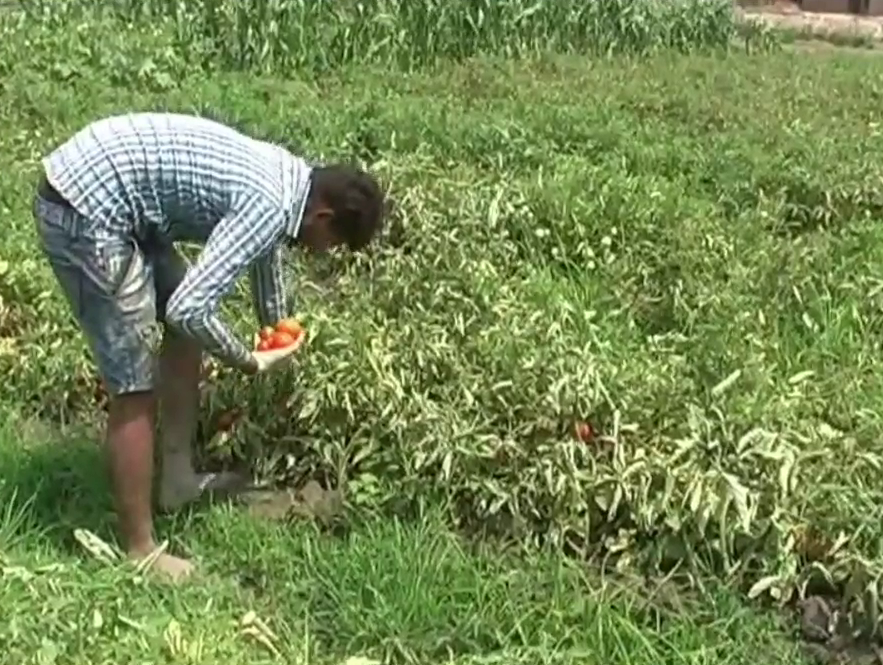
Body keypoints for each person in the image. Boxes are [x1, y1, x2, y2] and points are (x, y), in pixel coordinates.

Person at [33, 112, 385, 582]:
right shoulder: (271, 202)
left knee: (182, 334)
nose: (325, 253)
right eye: (332, 244)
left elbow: (267, 257)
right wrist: (246, 358)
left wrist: (277, 324)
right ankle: (141, 550)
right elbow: (189, 309)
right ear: (323, 218)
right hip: (85, 207)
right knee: (133, 383)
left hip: (125, 200)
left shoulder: (291, 180)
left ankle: (177, 481)